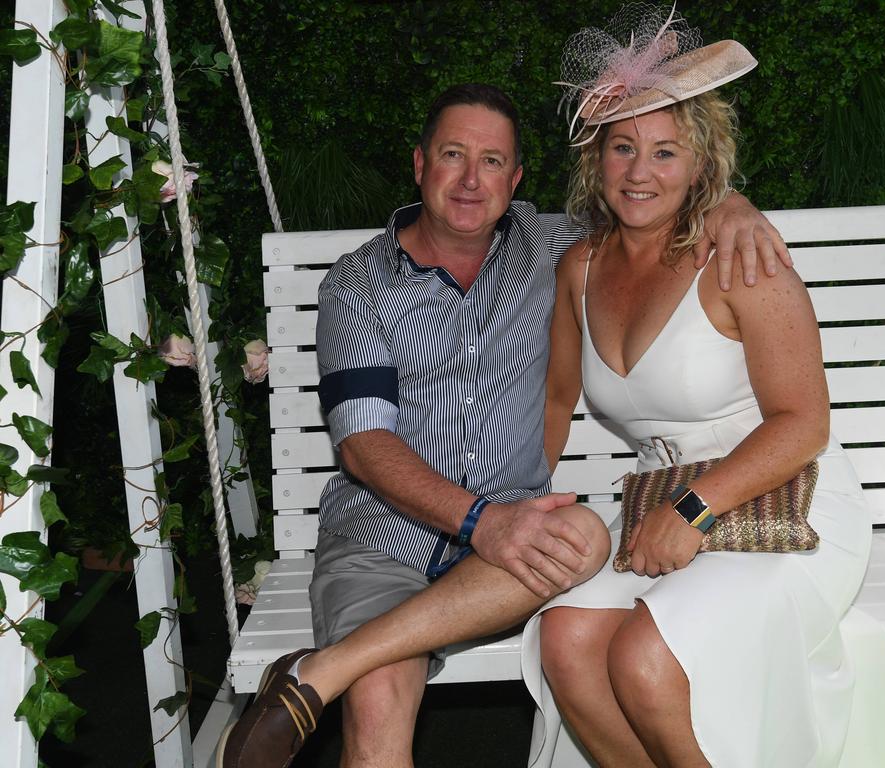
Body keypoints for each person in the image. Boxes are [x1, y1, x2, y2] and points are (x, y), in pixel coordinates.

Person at [217, 81, 791, 768]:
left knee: (579, 535)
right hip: (384, 538)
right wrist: (482, 521)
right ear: (420, 164)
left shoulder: (551, 248)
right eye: (453, 155)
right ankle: (348, 670)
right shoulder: (357, 285)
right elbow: (365, 446)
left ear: (515, 179)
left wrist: (732, 203)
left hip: (510, 546)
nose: (470, 179)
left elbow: (652, 194)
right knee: (378, 695)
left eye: (492, 162)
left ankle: (314, 675)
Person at [528, 7, 885, 767]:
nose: (639, 173)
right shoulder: (578, 267)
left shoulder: (742, 257)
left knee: (645, 659)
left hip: (787, 502)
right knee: (568, 638)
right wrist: (511, 506)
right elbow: (554, 401)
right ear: (596, 158)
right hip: (665, 500)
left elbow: (802, 422)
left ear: (702, 163)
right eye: (622, 148)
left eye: (665, 152)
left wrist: (694, 512)